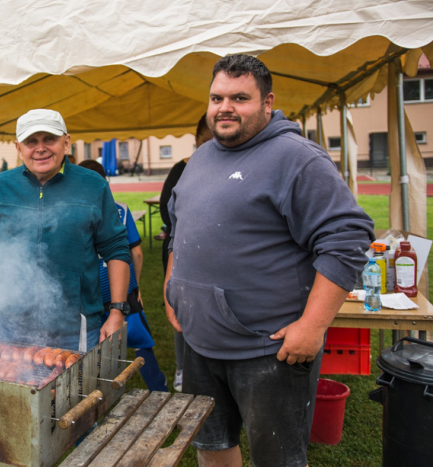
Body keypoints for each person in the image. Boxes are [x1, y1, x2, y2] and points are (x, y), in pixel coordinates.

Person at [163, 54, 374, 467]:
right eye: (217, 97)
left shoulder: (297, 158)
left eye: (239, 98)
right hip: (198, 341)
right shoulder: (202, 157)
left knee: (276, 458)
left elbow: (347, 238)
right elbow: (178, 224)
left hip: (267, 347)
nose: (224, 107)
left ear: (267, 102)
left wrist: (312, 327)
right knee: (211, 443)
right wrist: (174, 287)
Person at [0, 109, 131, 351]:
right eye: (31, 142)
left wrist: (117, 311)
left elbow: (116, 249)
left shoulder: (93, 185)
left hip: (76, 329)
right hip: (14, 325)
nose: (40, 148)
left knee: (77, 390)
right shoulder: (0, 186)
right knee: (18, 388)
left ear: (66, 142)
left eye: (49, 139)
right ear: (18, 148)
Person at [79, 159, 167, 392]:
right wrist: (134, 287)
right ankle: (159, 391)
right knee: (141, 345)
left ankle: (96, 396)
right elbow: (135, 253)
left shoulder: (72, 212)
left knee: (92, 350)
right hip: (123, 292)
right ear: (105, 182)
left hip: (91, 295)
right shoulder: (121, 208)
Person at [158, 114, 213, 392]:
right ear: (196, 140)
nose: (211, 145)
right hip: (181, 254)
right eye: (206, 141)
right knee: (183, 313)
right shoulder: (184, 169)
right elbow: (170, 215)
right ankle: (183, 369)